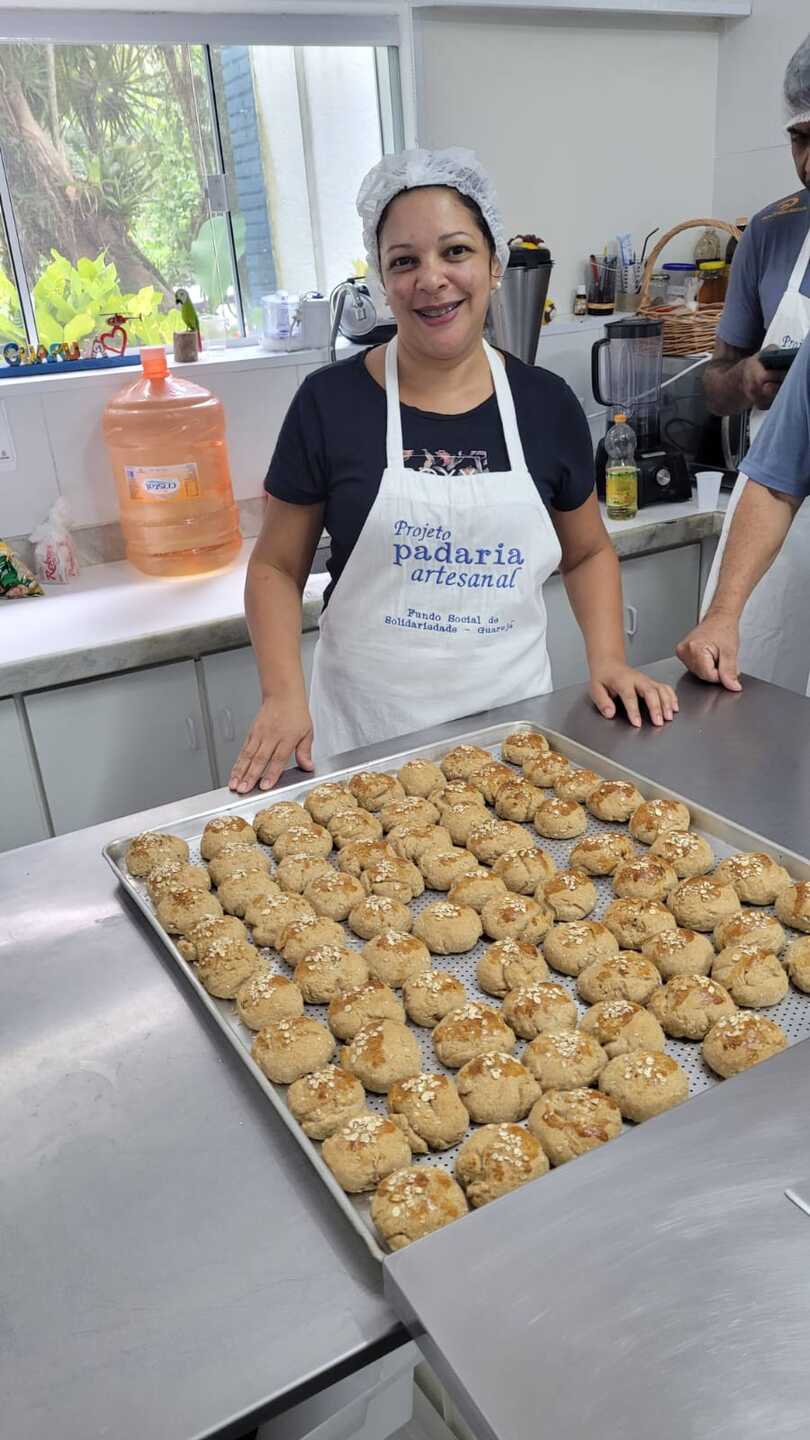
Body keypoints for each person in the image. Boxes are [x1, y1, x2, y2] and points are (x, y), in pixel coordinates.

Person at [229, 148, 677, 794]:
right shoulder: (329, 403)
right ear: (383, 281)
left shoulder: (544, 404)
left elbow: (586, 555)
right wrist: (281, 694)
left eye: (456, 251)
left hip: (513, 738)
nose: (430, 279)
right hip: (364, 740)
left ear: (495, 265)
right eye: (403, 261)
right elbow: (274, 567)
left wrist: (607, 660)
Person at [680, 31, 810, 690]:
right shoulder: (773, 230)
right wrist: (749, 379)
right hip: (772, 504)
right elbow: (714, 385)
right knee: (751, 705)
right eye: (800, 140)